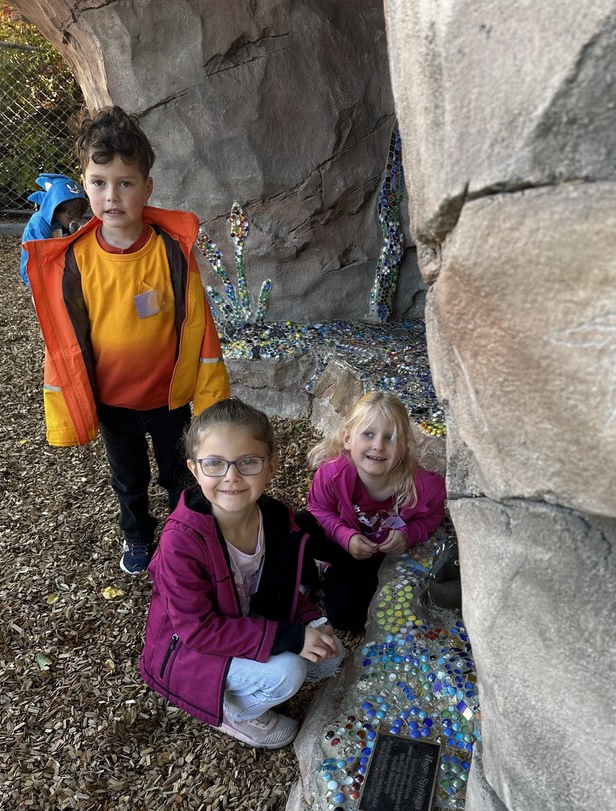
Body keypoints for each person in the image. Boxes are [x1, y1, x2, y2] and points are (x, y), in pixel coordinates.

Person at [22, 107, 229, 574]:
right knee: (129, 480)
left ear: (147, 187)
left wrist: (212, 397)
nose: (111, 195)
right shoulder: (73, 262)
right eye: (99, 182)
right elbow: (66, 342)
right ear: (83, 183)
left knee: (180, 473)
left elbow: (199, 326)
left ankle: (187, 535)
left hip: (169, 398)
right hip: (114, 403)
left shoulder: (171, 252)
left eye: (125, 183)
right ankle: (137, 536)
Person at [139, 398, 345, 749]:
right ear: (194, 469)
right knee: (289, 673)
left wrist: (310, 621)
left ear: (270, 466)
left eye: (247, 462)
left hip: (245, 618)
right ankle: (235, 713)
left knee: (332, 654)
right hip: (189, 651)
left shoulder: (277, 518)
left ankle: (253, 678)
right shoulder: (182, 542)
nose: (231, 477)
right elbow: (199, 630)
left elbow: (281, 587)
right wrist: (292, 639)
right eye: (215, 464)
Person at [298, 391, 447, 633]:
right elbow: (318, 508)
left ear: (403, 447)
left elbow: (434, 516)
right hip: (343, 543)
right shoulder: (332, 473)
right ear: (347, 439)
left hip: (376, 558)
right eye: (368, 434)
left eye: (390, 438)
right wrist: (344, 536)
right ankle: (307, 578)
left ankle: (332, 573)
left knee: (347, 620)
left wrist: (409, 535)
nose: (378, 445)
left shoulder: (423, 486)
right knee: (297, 524)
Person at [19, 173, 89, 287]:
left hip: (57, 268)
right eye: (70, 218)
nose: (75, 221)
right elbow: (39, 259)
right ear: (54, 209)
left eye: (78, 217)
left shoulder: (63, 221)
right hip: (37, 273)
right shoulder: (39, 225)